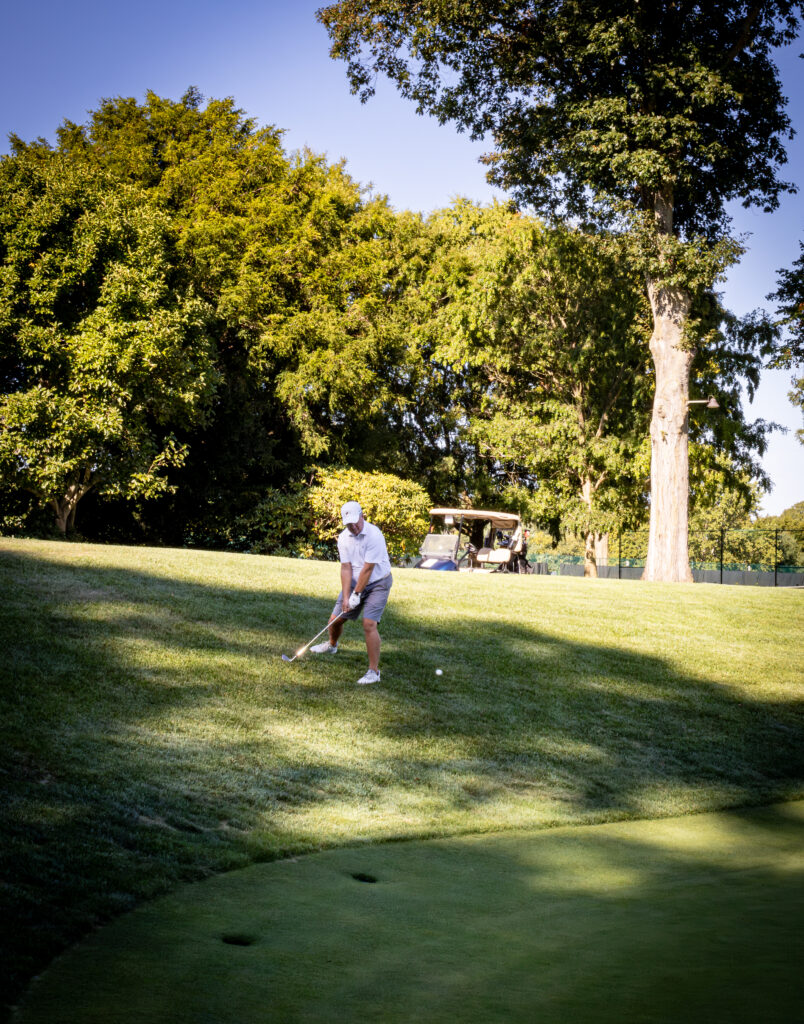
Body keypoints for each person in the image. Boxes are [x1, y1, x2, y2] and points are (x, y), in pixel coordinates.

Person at [310, 501, 393, 685]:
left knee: (369, 624)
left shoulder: (374, 535)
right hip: (355, 581)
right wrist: (347, 597)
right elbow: (346, 568)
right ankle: (332, 646)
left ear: (362, 516)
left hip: (378, 582)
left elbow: (368, 569)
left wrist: (356, 595)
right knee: (335, 620)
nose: (353, 527)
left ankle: (374, 672)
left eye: (356, 522)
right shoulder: (343, 538)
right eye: (349, 524)